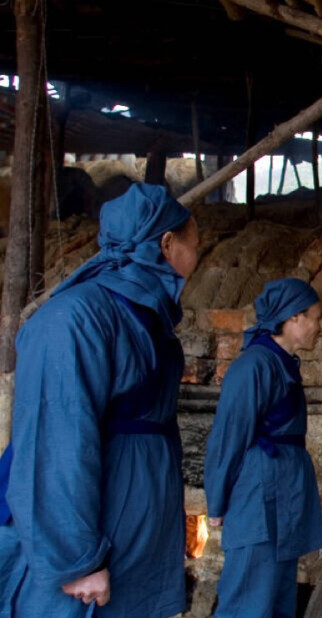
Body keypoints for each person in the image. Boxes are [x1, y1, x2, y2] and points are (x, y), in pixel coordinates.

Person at [0, 183, 199, 617]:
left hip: (131, 515)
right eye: (195, 243)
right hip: (89, 530)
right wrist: (77, 561)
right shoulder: (75, 319)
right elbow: (56, 441)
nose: (198, 257)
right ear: (167, 244)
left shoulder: (144, 315)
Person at [204, 278, 322, 618]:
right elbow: (229, 436)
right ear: (293, 318)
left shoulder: (282, 363)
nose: (320, 325)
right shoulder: (253, 366)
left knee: (276, 601)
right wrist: (217, 500)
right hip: (258, 499)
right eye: (316, 316)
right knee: (247, 602)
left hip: (282, 499)